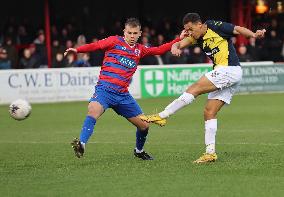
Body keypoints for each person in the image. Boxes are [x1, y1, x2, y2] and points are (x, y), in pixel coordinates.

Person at [140, 13, 266, 163]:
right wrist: (175, 46)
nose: (189, 33)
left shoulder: (214, 26)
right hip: (229, 74)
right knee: (209, 111)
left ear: (199, 24)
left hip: (229, 69)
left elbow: (238, 30)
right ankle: (210, 153)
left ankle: (162, 115)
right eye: (187, 30)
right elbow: (179, 44)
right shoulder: (195, 37)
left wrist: (253, 34)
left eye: (191, 29)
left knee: (194, 88)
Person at [64, 18, 186, 160]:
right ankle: (82, 144)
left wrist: (178, 39)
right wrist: (78, 50)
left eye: (135, 33)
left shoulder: (140, 50)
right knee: (93, 110)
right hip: (104, 91)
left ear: (140, 33)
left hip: (122, 96)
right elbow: (96, 46)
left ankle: (139, 151)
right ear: (124, 32)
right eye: (129, 33)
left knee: (144, 126)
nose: (132, 36)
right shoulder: (114, 41)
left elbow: (159, 50)